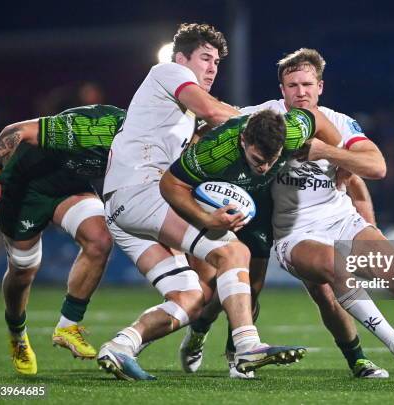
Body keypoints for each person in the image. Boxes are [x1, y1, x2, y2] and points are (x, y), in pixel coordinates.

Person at [179, 48, 394, 382]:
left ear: (320, 87)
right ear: (282, 90)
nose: (301, 92)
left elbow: (376, 166)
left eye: (307, 84)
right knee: (283, 284)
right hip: (293, 233)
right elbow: (211, 121)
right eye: (292, 85)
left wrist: (329, 153)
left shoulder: (336, 122)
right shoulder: (263, 118)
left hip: (341, 220)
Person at [97, 23, 305, 380]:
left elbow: (210, 117)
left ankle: (121, 346)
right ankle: (247, 346)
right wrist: (261, 122)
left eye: (216, 63)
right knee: (233, 252)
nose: (212, 68)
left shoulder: (178, 107)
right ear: (181, 58)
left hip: (122, 208)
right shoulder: (168, 72)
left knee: (191, 297)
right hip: (143, 189)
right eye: (205, 59)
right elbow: (212, 110)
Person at [0, 104, 124, 375]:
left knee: (100, 240)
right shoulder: (90, 129)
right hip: (25, 189)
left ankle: (68, 326)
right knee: (22, 271)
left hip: (71, 187)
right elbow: (15, 130)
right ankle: (17, 334)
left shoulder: (150, 143)